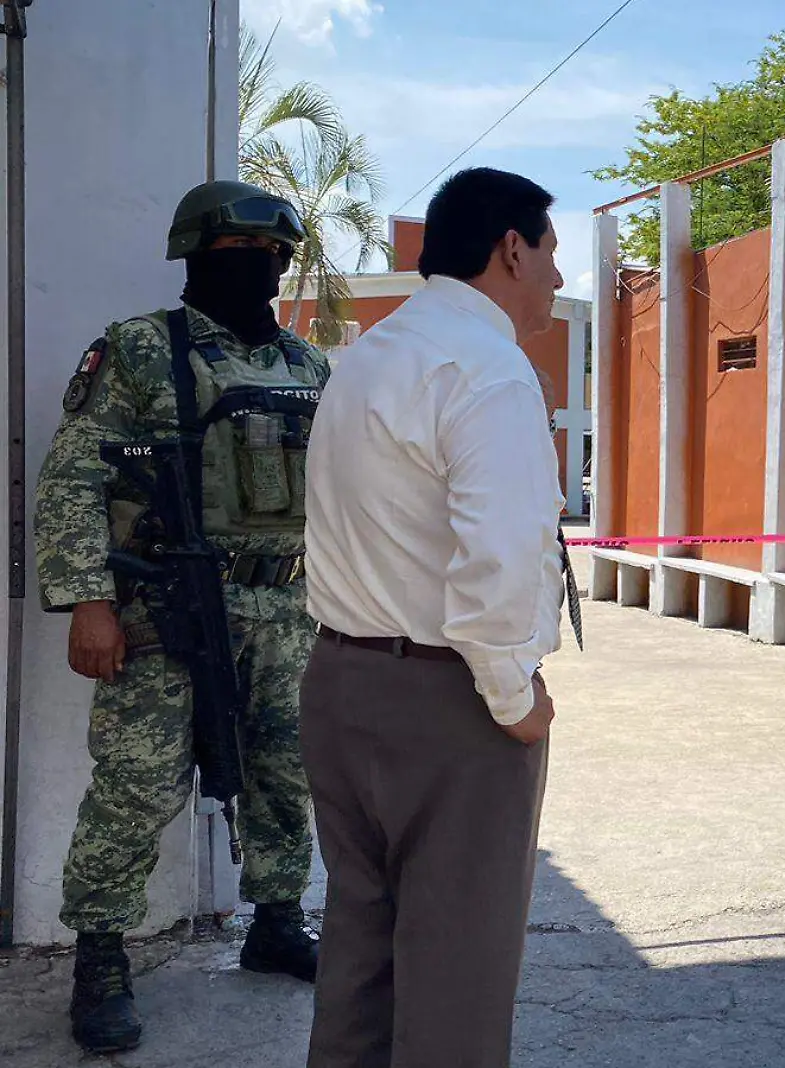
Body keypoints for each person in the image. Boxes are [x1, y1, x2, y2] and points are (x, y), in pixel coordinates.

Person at [33, 179, 325, 1053]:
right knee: (137, 785)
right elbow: (73, 481)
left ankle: (276, 920)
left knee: (287, 769)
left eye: (273, 255)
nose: (260, 268)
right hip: (166, 606)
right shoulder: (137, 349)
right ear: (194, 255)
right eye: (238, 254)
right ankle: (101, 954)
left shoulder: (307, 367)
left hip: (287, 603)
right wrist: (89, 601)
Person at [299, 167, 566, 1067]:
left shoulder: (367, 356)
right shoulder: (487, 369)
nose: (559, 280)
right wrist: (512, 693)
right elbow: (494, 557)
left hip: (341, 684)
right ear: (513, 248)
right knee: (458, 973)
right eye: (553, 253)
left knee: (359, 954)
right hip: (448, 702)